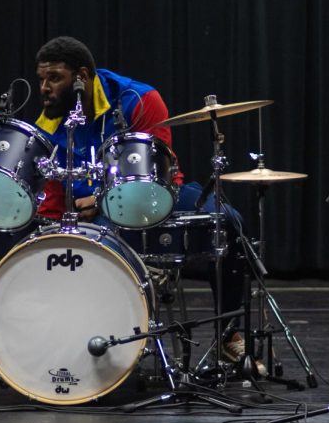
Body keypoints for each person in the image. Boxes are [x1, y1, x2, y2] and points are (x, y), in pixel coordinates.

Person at [31, 36, 251, 364]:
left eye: (54, 78)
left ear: (82, 77)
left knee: (229, 221)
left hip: (157, 197)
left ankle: (229, 333)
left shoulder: (139, 99)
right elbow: (51, 198)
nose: (45, 88)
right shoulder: (48, 123)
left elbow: (156, 175)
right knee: (91, 249)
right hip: (92, 217)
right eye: (41, 79)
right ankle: (90, 344)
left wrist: (102, 198)